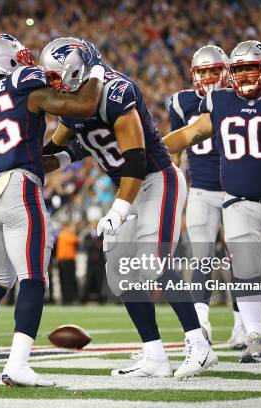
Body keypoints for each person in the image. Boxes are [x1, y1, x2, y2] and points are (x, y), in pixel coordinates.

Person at [42, 37, 217, 379]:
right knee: (121, 272)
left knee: (154, 261)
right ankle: (154, 354)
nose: (58, 86)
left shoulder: (116, 91)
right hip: (129, 187)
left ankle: (200, 344)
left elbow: (135, 159)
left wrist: (119, 209)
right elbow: (68, 145)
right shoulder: (72, 103)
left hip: (155, 179)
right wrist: (29, 163)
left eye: (61, 77)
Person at [0, 33, 105, 387]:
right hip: (18, 188)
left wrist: (70, 154)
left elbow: (22, 143)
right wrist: (96, 69)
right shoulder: (24, 82)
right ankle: (18, 364)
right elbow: (83, 106)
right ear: (8, 60)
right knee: (34, 278)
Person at [162, 40, 261, 362]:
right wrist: (149, 149)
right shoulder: (220, 102)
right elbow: (190, 134)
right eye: (239, 69)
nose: (245, 74)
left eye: (251, 67)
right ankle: (253, 336)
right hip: (236, 202)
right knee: (246, 270)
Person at [167, 45, 246, 349]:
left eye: (215, 70)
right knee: (201, 259)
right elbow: (175, 149)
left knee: (240, 259)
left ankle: (242, 327)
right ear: (194, 74)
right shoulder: (181, 102)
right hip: (200, 189)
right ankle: (201, 324)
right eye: (204, 71)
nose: (210, 77)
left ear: (226, 71)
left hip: (236, 189)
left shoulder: (236, 99)